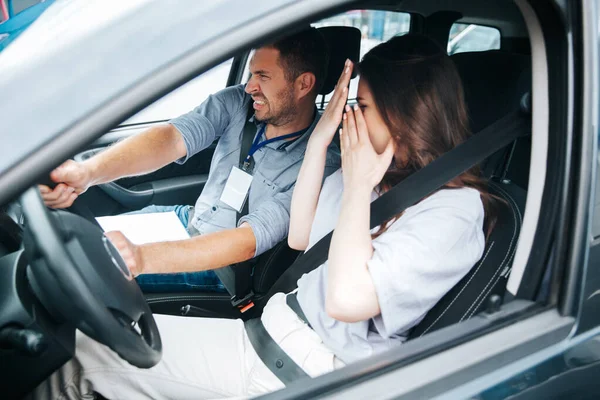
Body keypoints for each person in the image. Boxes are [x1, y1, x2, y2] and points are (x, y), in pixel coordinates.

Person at [31, 34, 498, 399]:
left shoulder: (453, 212)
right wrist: (323, 140)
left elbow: (345, 299)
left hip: (298, 366)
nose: (352, 120)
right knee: (79, 336)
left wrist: (354, 182)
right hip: (271, 334)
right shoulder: (376, 181)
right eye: (351, 107)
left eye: (363, 108)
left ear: (403, 117)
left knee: (79, 356)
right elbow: (300, 235)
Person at [38, 28, 340, 293]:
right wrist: (88, 172)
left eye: (263, 76)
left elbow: (248, 240)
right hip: (188, 219)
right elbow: (170, 139)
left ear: (303, 84)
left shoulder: (320, 163)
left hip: (221, 266)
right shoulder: (238, 103)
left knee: (74, 271)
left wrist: (141, 257)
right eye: (250, 74)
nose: (250, 86)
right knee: (70, 239)